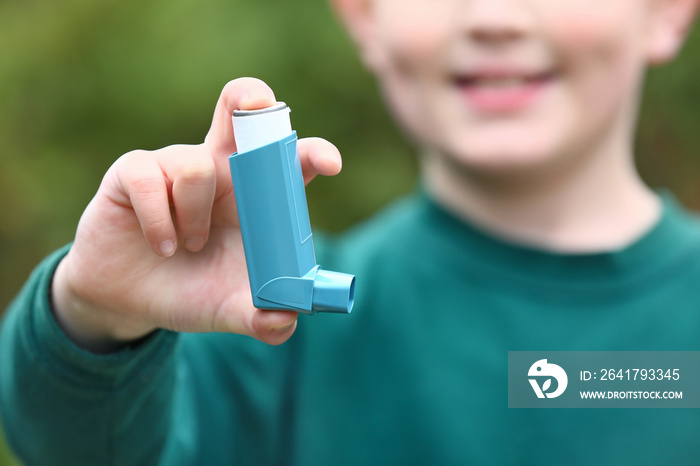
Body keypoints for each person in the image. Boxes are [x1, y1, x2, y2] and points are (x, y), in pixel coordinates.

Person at [2, 0, 700, 464]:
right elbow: (79, 446)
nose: (494, 16)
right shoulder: (264, 333)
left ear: (665, 11)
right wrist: (97, 318)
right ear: (364, 15)